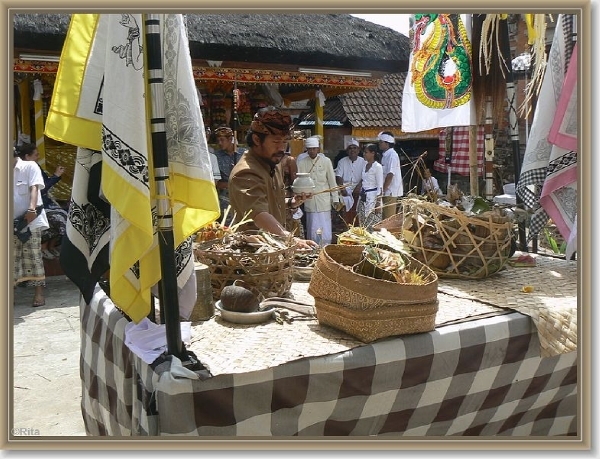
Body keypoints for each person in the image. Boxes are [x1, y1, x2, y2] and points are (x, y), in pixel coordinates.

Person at [228, 106, 318, 250]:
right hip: (252, 257)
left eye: (285, 141)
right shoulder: (245, 172)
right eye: (276, 142)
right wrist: (291, 239)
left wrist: (291, 203)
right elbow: (259, 215)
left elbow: (268, 201)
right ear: (257, 139)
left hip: (275, 252)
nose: (282, 148)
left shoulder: (273, 164)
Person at [13, 143, 50, 307]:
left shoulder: (29, 166)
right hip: (11, 222)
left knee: (34, 257)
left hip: (30, 221)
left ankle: (39, 294)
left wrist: (31, 209)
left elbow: (34, 188)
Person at [297, 135, 342, 246]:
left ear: (318, 149)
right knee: (312, 227)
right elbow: (300, 182)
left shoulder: (326, 161)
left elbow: (332, 182)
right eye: (310, 149)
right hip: (310, 201)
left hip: (324, 201)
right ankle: (313, 250)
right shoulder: (302, 163)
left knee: (325, 228)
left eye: (314, 149)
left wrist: (335, 199)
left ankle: (325, 248)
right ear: (306, 150)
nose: (312, 151)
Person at [213, 125, 246, 219]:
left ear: (230, 139)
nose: (219, 143)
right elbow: (215, 182)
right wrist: (230, 184)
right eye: (218, 140)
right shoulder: (216, 156)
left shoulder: (244, 154)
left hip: (243, 194)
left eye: (222, 140)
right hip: (225, 196)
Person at [334, 138, 366, 226]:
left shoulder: (363, 162)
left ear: (358, 150)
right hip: (346, 188)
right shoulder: (342, 161)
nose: (352, 150)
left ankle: (358, 226)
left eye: (354, 148)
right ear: (347, 151)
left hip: (359, 187)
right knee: (342, 202)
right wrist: (342, 188)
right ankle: (346, 225)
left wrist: (359, 186)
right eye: (350, 148)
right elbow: (338, 176)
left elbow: (365, 177)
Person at [356, 143, 384, 230]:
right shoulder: (365, 165)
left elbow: (380, 186)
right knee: (363, 224)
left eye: (366, 152)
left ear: (373, 153)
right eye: (364, 152)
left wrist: (378, 203)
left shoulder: (377, 167)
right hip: (363, 196)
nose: (364, 154)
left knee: (373, 224)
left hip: (373, 198)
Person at [377, 131, 403, 220]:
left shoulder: (392, 155)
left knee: (388, 219)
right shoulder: (385, 155)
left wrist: (383, 191)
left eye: (381, 142)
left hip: (390, 191)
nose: (379, 144)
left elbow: (390, 174)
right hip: (386, 191)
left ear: (387, 143)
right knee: (384, 217)